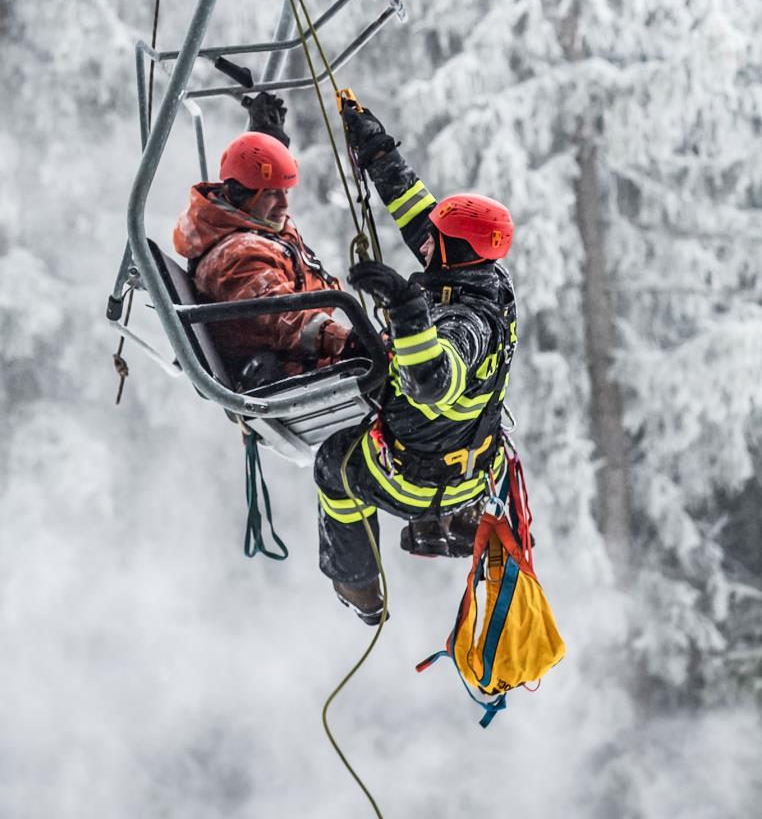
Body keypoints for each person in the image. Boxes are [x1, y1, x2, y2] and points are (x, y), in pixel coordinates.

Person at [314, 100, 518, 625]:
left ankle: (359, 587)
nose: (425, 244)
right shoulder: (473, 272)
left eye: (437, 242)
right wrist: (375, 146)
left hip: (421, 477)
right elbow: (416, 213)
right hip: (476, 463)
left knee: (334, 464)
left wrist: (406, 312)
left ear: (455, 252)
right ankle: (450, 520)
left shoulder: (468, 320)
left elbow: (431, 382)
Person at [171, 94, 354, 384]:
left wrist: (266, 142)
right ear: (243, 195)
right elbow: (283, 316)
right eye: (271, 193)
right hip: (300, 373)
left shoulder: (247, 223)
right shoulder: (237, 257)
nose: (284, 204)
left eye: (286, 191)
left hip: (311, 360)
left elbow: (253, 180)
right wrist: (349, 341)